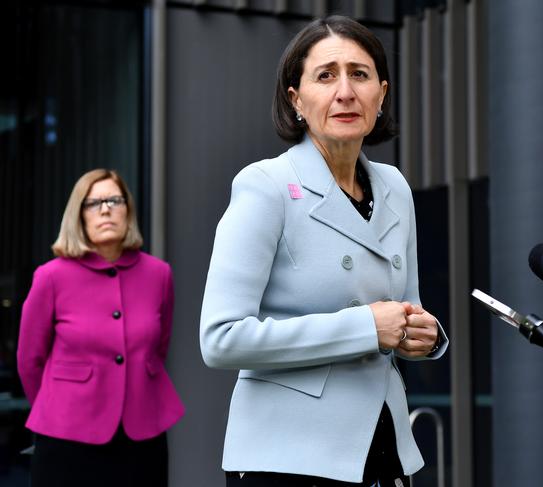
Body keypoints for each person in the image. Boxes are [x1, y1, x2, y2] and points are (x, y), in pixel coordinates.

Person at [200, 15, 448, 487]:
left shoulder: (394, 187)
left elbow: (406, 310)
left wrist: (428, 337)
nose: (345, 91)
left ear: (381, 93)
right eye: (325, 75)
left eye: (359, 73)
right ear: (296, 100)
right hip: (288, 458)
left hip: (383, 446)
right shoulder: (265, 185)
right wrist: (365, 327)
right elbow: (220, 339)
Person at [17, 169, 184, 487]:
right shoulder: (50, 277)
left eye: (113, 200)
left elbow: (158, 350)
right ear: (78, 216)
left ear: (128, 210)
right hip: (67, 437)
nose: (105, 209)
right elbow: (29, 360)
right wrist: (58, 405)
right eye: (93, 203)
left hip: (142, 435)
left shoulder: (158, 274)